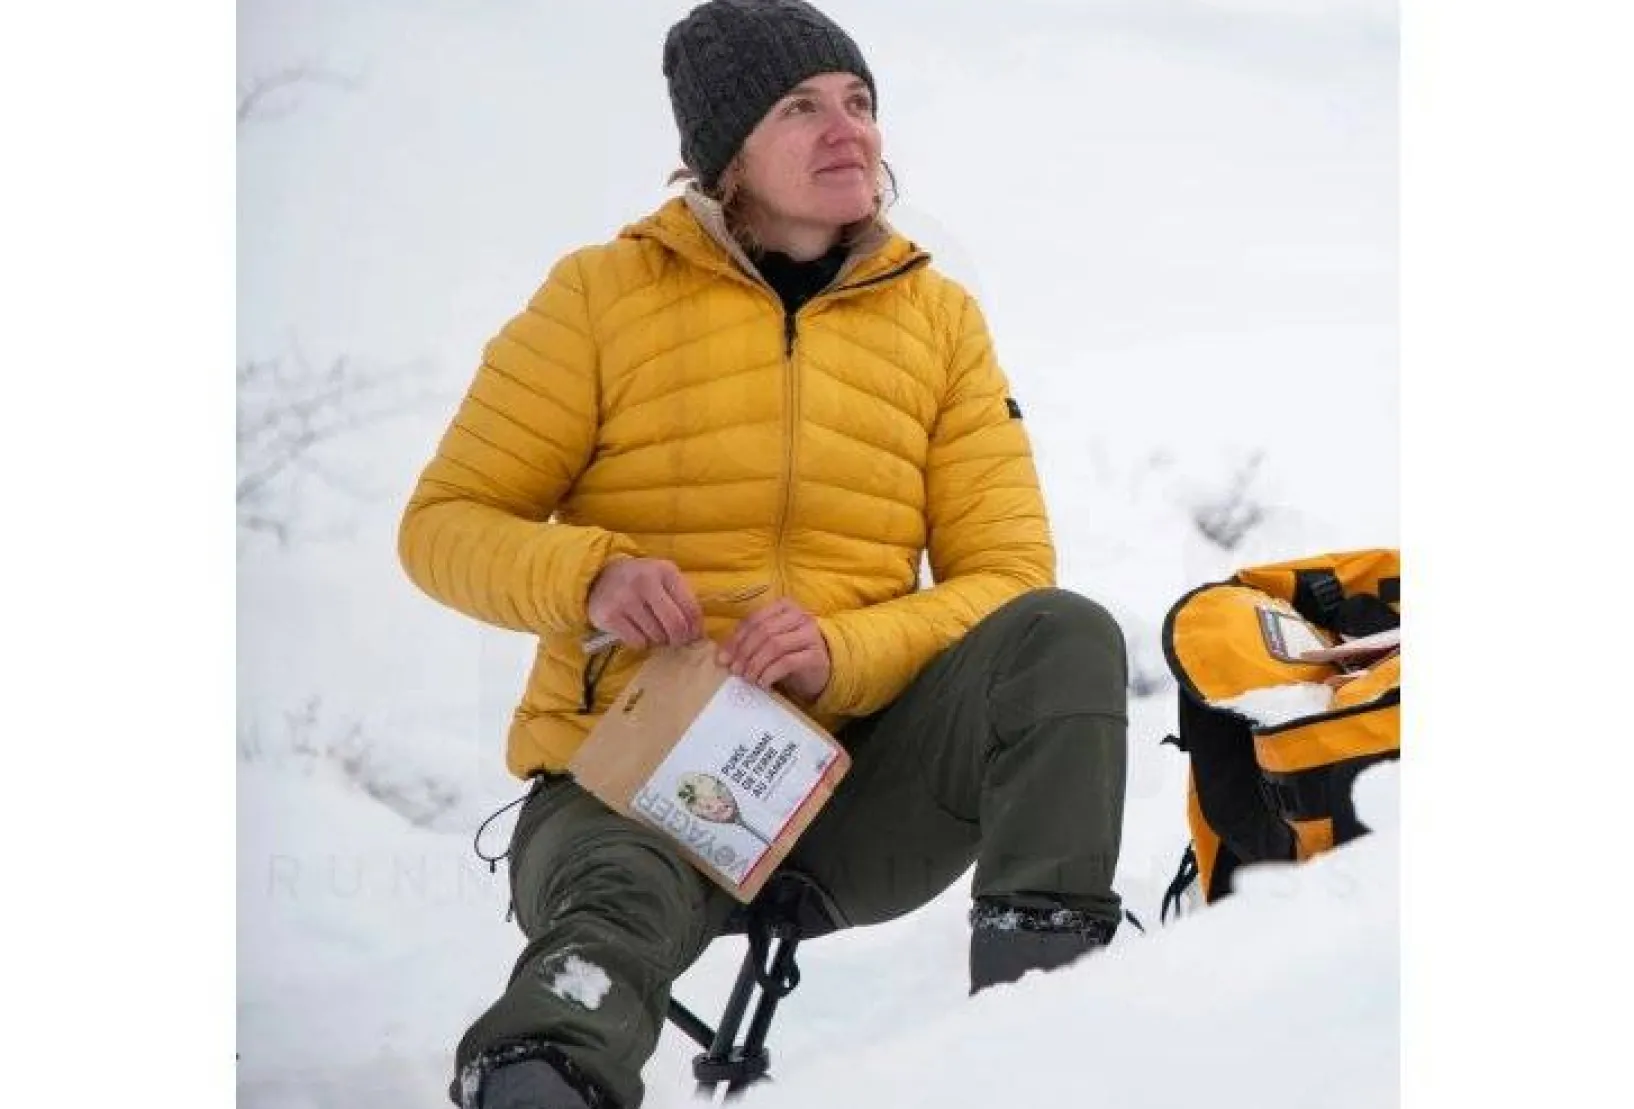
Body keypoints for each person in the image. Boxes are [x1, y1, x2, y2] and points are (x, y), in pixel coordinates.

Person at [398, 2, 1129, 1106]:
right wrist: (590, 575)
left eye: (859, 102)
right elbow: (443, 523)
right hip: (632, 785)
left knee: (1062, 633)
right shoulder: (598, 296)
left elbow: (1009, 576)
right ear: (724, 150)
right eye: (800, 107)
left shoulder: (939, 321)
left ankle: (1048, 1041)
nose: (848, 131)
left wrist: (841, 652)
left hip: (855, 792)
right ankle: (536, 1074)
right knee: (611, 918)